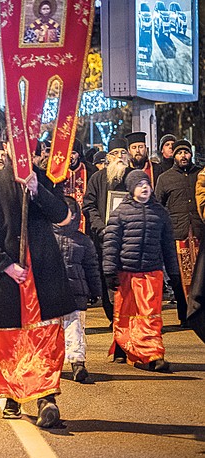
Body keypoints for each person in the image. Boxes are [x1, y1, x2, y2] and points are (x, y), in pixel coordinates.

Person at [0, 150, 74, 428]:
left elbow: (64, 217)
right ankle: (12, 395)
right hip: (7, 278)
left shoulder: (45, 181)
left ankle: (46, 398)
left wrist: (37, 190)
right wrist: (5, 265)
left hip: (42, 276)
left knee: (45, 338)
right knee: (9, 341)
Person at [103, 170, 176, 372]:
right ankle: (123, 347)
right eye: (139, 184)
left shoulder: (160, 213)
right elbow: (111, 244)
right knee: (126, 316)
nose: (144, 187)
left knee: (150, 316)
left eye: (147, 183)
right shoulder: (120, 213)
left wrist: (174, 273)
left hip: (152, 272)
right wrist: (109, 271)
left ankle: (152, 354)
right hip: (127, 272)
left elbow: (168, 245)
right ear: (131, 189)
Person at [53, 197, 102, 383]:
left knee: (75, 329)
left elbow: (91, 267)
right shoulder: (46, 236)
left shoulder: (84, 240)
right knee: (52, 330)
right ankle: (50, 364)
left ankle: (77, 364)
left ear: (75, 216)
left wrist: (96, 290)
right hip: (52, 292)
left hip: (77, 292)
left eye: (70, 212)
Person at [154, 139, 202, 326]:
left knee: (200, 277)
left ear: (191, 154)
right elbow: (158, 205)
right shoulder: (165, 178)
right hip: (177, 233)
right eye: (180, 153)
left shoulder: (200, 174)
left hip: (199, 232)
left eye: (186, 152)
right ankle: (185, 316)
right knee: (180, 278)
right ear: (174, 156)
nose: (184, 156)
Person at [83, 137, 131, 322]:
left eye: (123, 153)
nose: (119, 157)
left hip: (129, 239)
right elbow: (89, 206)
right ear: (108, 157)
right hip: (104, 238)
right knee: (107, 278)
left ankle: (127, 315)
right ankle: (113, 316)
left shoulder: (134, 176)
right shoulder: (97, 178)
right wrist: (101, 228)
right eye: (115, 153)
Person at [62, 139, 91, 232]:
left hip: (83, 218)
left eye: (73, 153)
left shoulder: (90, 170)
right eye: (68, 152)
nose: (70, 156)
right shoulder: (57, 171)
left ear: (79, 154)